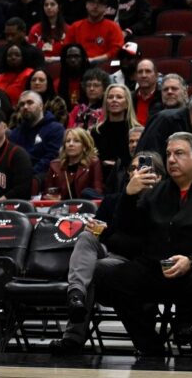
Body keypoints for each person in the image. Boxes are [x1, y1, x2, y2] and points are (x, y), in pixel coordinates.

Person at [95, 132, 192, 357]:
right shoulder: (158, 191)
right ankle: (150, 346)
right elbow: (126, 229)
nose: (171, 159)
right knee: (112, 278)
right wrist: (129, 195)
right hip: (158, 265)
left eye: (179, 153)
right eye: (169, 154)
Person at [50, 150, 164, 355]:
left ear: (159, 176)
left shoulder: (163, 202)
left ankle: (73, 337)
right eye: (133, 169)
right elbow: (106, 236)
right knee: (86, 237)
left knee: (93, 269)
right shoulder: (113, 200)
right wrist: (97, 229)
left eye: (145, 168)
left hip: (136, 263)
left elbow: (148, 242)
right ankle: (75, 295)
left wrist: (109, 232)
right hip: (109, 253)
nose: (137, 172)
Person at [9, 91, 65, 191]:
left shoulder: (56, 129)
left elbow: (51, 158)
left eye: (30, 103)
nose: (25, 107)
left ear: (41, 106)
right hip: (19, 179)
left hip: (43, 179)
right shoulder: (15, 133)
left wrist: (28, 174)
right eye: (21, 104)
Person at [39, 128, 104, 200]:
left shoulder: (93, 163)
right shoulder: (55, 165)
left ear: (85, 146)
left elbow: (97, 192)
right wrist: (51, 198)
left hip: (84, 208)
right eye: (68, 141)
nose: (71, 144)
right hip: (60, 208)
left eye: (76, 141)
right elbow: (45, 195)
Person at [66, 0, 124, 64]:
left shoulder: (113, 27)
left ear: (105, 8)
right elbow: (67, 48)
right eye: (92, 2)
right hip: (79, 65)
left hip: (104, 65)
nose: (95, 6)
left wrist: (94, 60)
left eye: (99, 3)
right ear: (86, 5)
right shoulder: (75, 27)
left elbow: (116, 50)